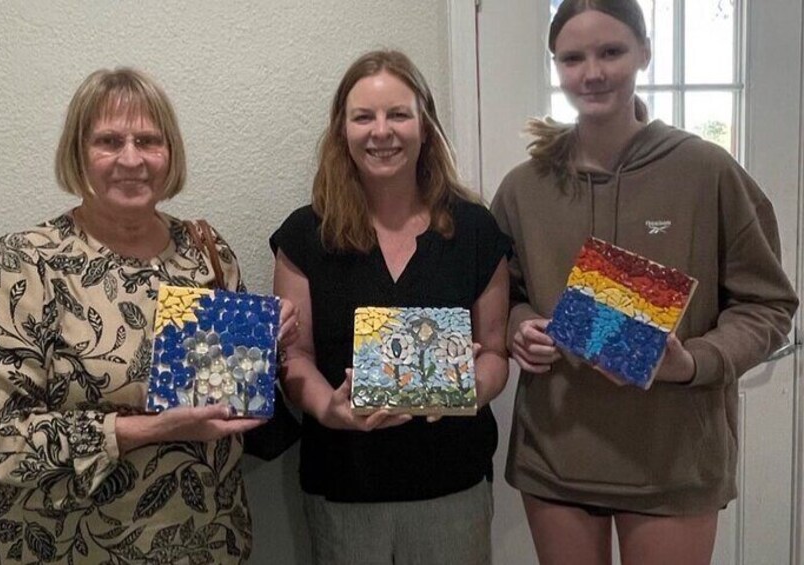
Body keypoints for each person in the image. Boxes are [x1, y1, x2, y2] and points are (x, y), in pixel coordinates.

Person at [490, 1, 798, 564]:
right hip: (556, 452)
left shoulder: (707, 171)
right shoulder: (522, 188)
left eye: (611, 52)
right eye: (573, 58)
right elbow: (502, 295)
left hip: (673, 457)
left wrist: (693, 362)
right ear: (556, 66)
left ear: (644, 54)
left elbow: (767, 303)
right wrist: (518, 327)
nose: (593, 72)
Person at [0, 67, 296, 564]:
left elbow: (230, 398)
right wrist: (149, 430)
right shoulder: (23, 265)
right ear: (78, 153)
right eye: (109, 142)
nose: (131, 159)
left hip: (206, 542)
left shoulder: (206, 252)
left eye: (148, 141)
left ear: (170, 153)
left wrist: (266, 347)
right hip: (67, 548)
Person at [271, 49, 511, 565]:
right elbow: (295, 357)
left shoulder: (475, 230)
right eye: (364, 117)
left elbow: (495, 352)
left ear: (425, 125)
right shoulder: (305, 235)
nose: (382, 132)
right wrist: (330, 409)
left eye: (398, 114)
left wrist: (467, 390)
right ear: (342, 130)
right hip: (344, 484)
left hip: (453, 482)